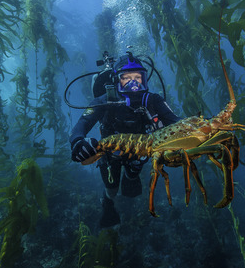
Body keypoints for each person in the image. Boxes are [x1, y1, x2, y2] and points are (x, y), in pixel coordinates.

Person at [69, 52, 180, 227]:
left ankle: (131, 173)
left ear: (145, 79)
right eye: (126, 78)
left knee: (132, 186)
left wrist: (184, 141)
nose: (134, 83)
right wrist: (77, 141)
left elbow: (177, 123)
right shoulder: (104, 100)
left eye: (138, 77)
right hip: (109, 154)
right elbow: (82, 123)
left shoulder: (153, 100)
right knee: (112, 189)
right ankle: (108, 202)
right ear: (116, 80)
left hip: (137, 153)